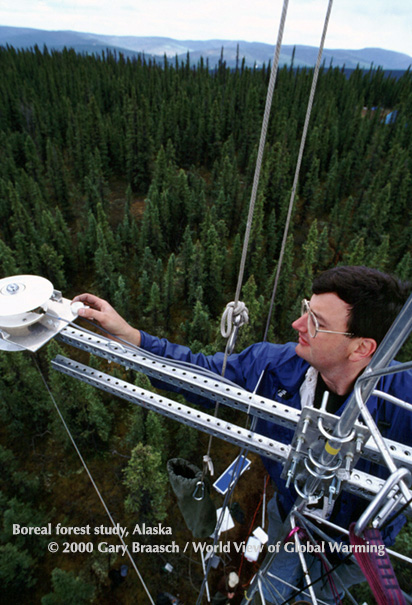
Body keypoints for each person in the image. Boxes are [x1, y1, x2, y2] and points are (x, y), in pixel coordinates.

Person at [74, 265, 412, 603]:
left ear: (362, 348)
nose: (298, 325)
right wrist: (131, 337)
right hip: (288, 512)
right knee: (274, 581)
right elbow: (200, 374)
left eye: (317, 323)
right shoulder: (274, 366)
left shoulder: (404, 404)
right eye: (306, 310)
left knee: (321, 593)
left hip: (353, 547)